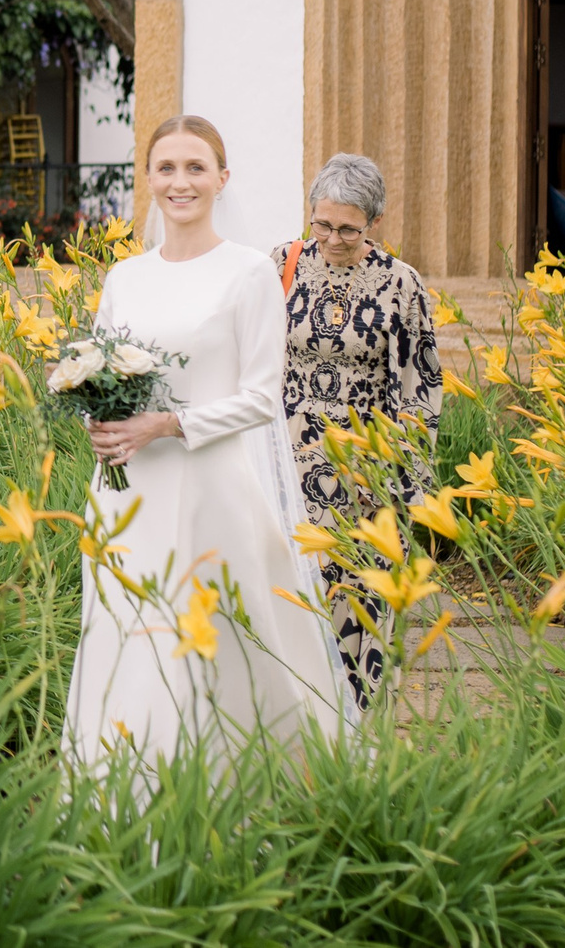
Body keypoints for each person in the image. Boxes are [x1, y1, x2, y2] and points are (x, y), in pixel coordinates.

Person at [64, 114, 346, 766]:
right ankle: (122, 786)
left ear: (222, 179)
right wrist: (96, 418)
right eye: (166, 167)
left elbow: (260, 395)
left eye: (195, 167)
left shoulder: (248, 273)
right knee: (126, 630)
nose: (180, 181)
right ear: (148, 179)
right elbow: (98, 371)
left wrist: (167, 424)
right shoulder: (124, 278)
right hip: (127, 494)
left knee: (215, 635)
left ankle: (232, 784)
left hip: (209, 487)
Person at [272, 152, 443, 711]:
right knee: (293, 583)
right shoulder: (282, 264)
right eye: (322, 223)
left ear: (374, 221)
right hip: (289, 455)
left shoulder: (401, 283)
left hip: (365, 462)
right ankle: (297, 712)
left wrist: (412, 481)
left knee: (362, 589)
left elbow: (422, 384)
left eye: (348, 228)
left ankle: (360, 719)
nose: (334, 237)